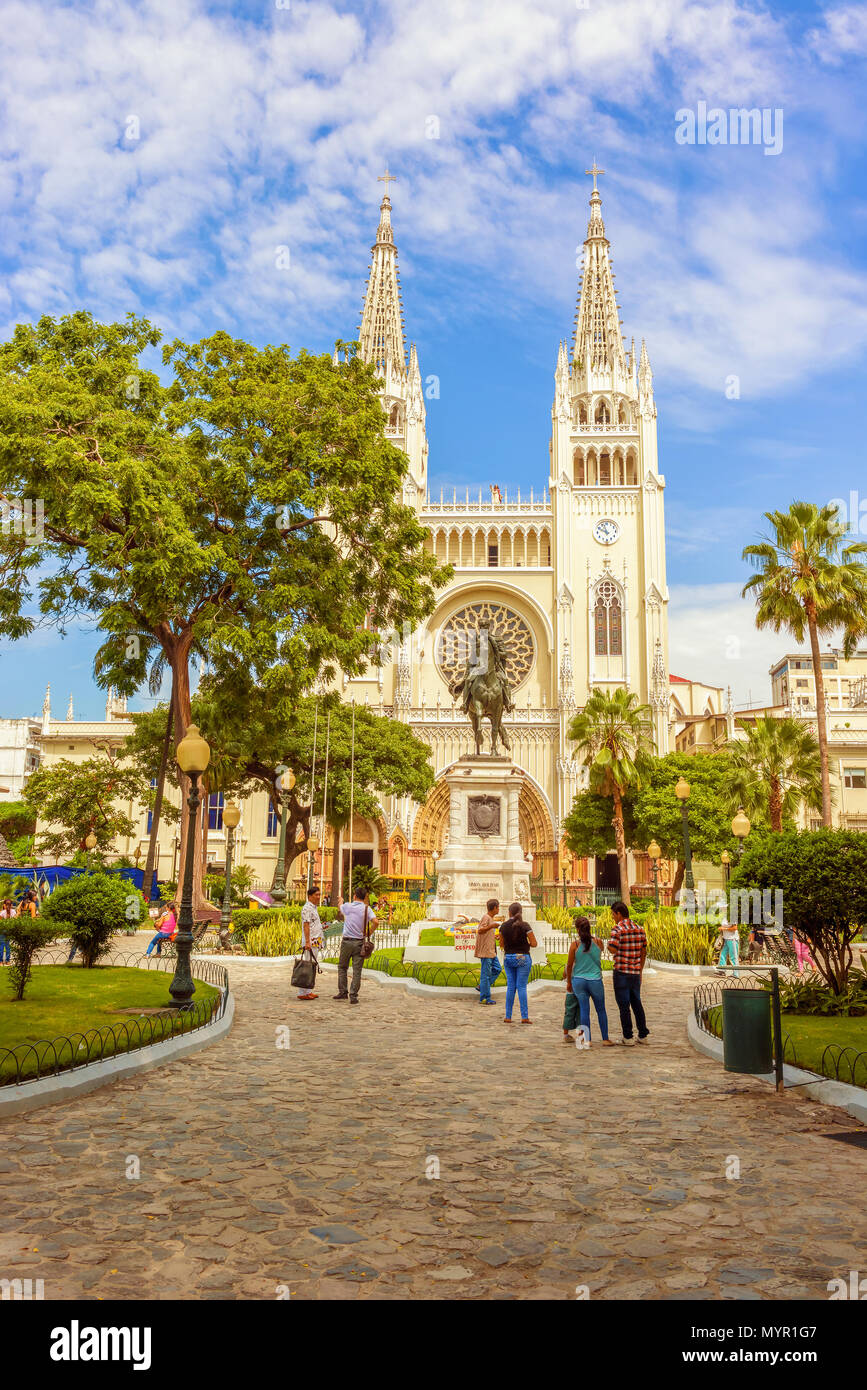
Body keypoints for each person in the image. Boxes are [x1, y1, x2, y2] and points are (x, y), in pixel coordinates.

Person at [564, 915, 613, 1047]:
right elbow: (600, 952)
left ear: (577, 929)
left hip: (579, 980)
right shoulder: (598, 942)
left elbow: (569, 965)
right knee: (601, 1009)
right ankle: (605, 1038)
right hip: (595, 980)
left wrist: (569, 982)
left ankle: (586, 1039)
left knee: (584, 1010)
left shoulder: (575, 945)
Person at [608, 901, 649, 1045]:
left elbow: (612, 949)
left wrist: (608, 944)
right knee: (637, 1003)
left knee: (624, 1006)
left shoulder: (617, 929)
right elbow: (643, 952)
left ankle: (628, 1036)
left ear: (618, 914)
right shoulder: (640, 929)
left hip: (621, 972)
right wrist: (640, 970)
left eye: (613, 914)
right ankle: (643, 1034)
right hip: (635, 972)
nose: (613, 917)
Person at [334, 887, 377, 1004]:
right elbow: (376, 922)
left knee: (342, 967)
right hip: (359, 943)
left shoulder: (348, 906)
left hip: (347, 942)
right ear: (364, 897)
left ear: (354, 896)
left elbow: (340, 908)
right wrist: (368, 932)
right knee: (357, 970)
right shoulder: (367, 909)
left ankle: (343, 992)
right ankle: (353, 995)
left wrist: (341, 901)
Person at [499, 901, 536, 1024]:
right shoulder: (525, 926)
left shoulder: (503, 927)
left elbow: (502, 945)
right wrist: (527, 944)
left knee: (511, 987)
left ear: (509, 912)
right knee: (521, 987)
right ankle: (524, 1016)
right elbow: (534, 943)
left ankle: (508, 1016)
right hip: (523, 957)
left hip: (508, 957)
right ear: (521, 912)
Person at [298, 885, 324, 1000]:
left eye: (319, 894)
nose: (318, 897)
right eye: (316, 895)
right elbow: (306, 925)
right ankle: (303, 992)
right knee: (307, 966)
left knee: (312, 965)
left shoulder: (313, 907)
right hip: (311, 942)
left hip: (315, 941)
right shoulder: (307, 908)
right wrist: (307, 942)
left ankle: (308, 990)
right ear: (310, 896)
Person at [474, 897, 503, 1004]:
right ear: (494, 907)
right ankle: (485, 998)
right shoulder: (486, 917)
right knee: (485, 975)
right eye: (498, 907)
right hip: (486, 952)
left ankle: (482, 986)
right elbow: (480, 930)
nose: (499, 909)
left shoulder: (490, 918)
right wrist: (492, 926)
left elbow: (486, 932)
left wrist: (494, 936)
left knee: (498, 969)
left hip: (491, 951)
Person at [0, 897, 14, 964]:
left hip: (2, 930)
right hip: (8, 930)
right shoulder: (13, 912)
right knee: (7, 946)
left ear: (4, 905)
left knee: (2, 946)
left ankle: (1, 961)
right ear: (11, 905)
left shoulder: (2, 912)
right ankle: (7, 961)